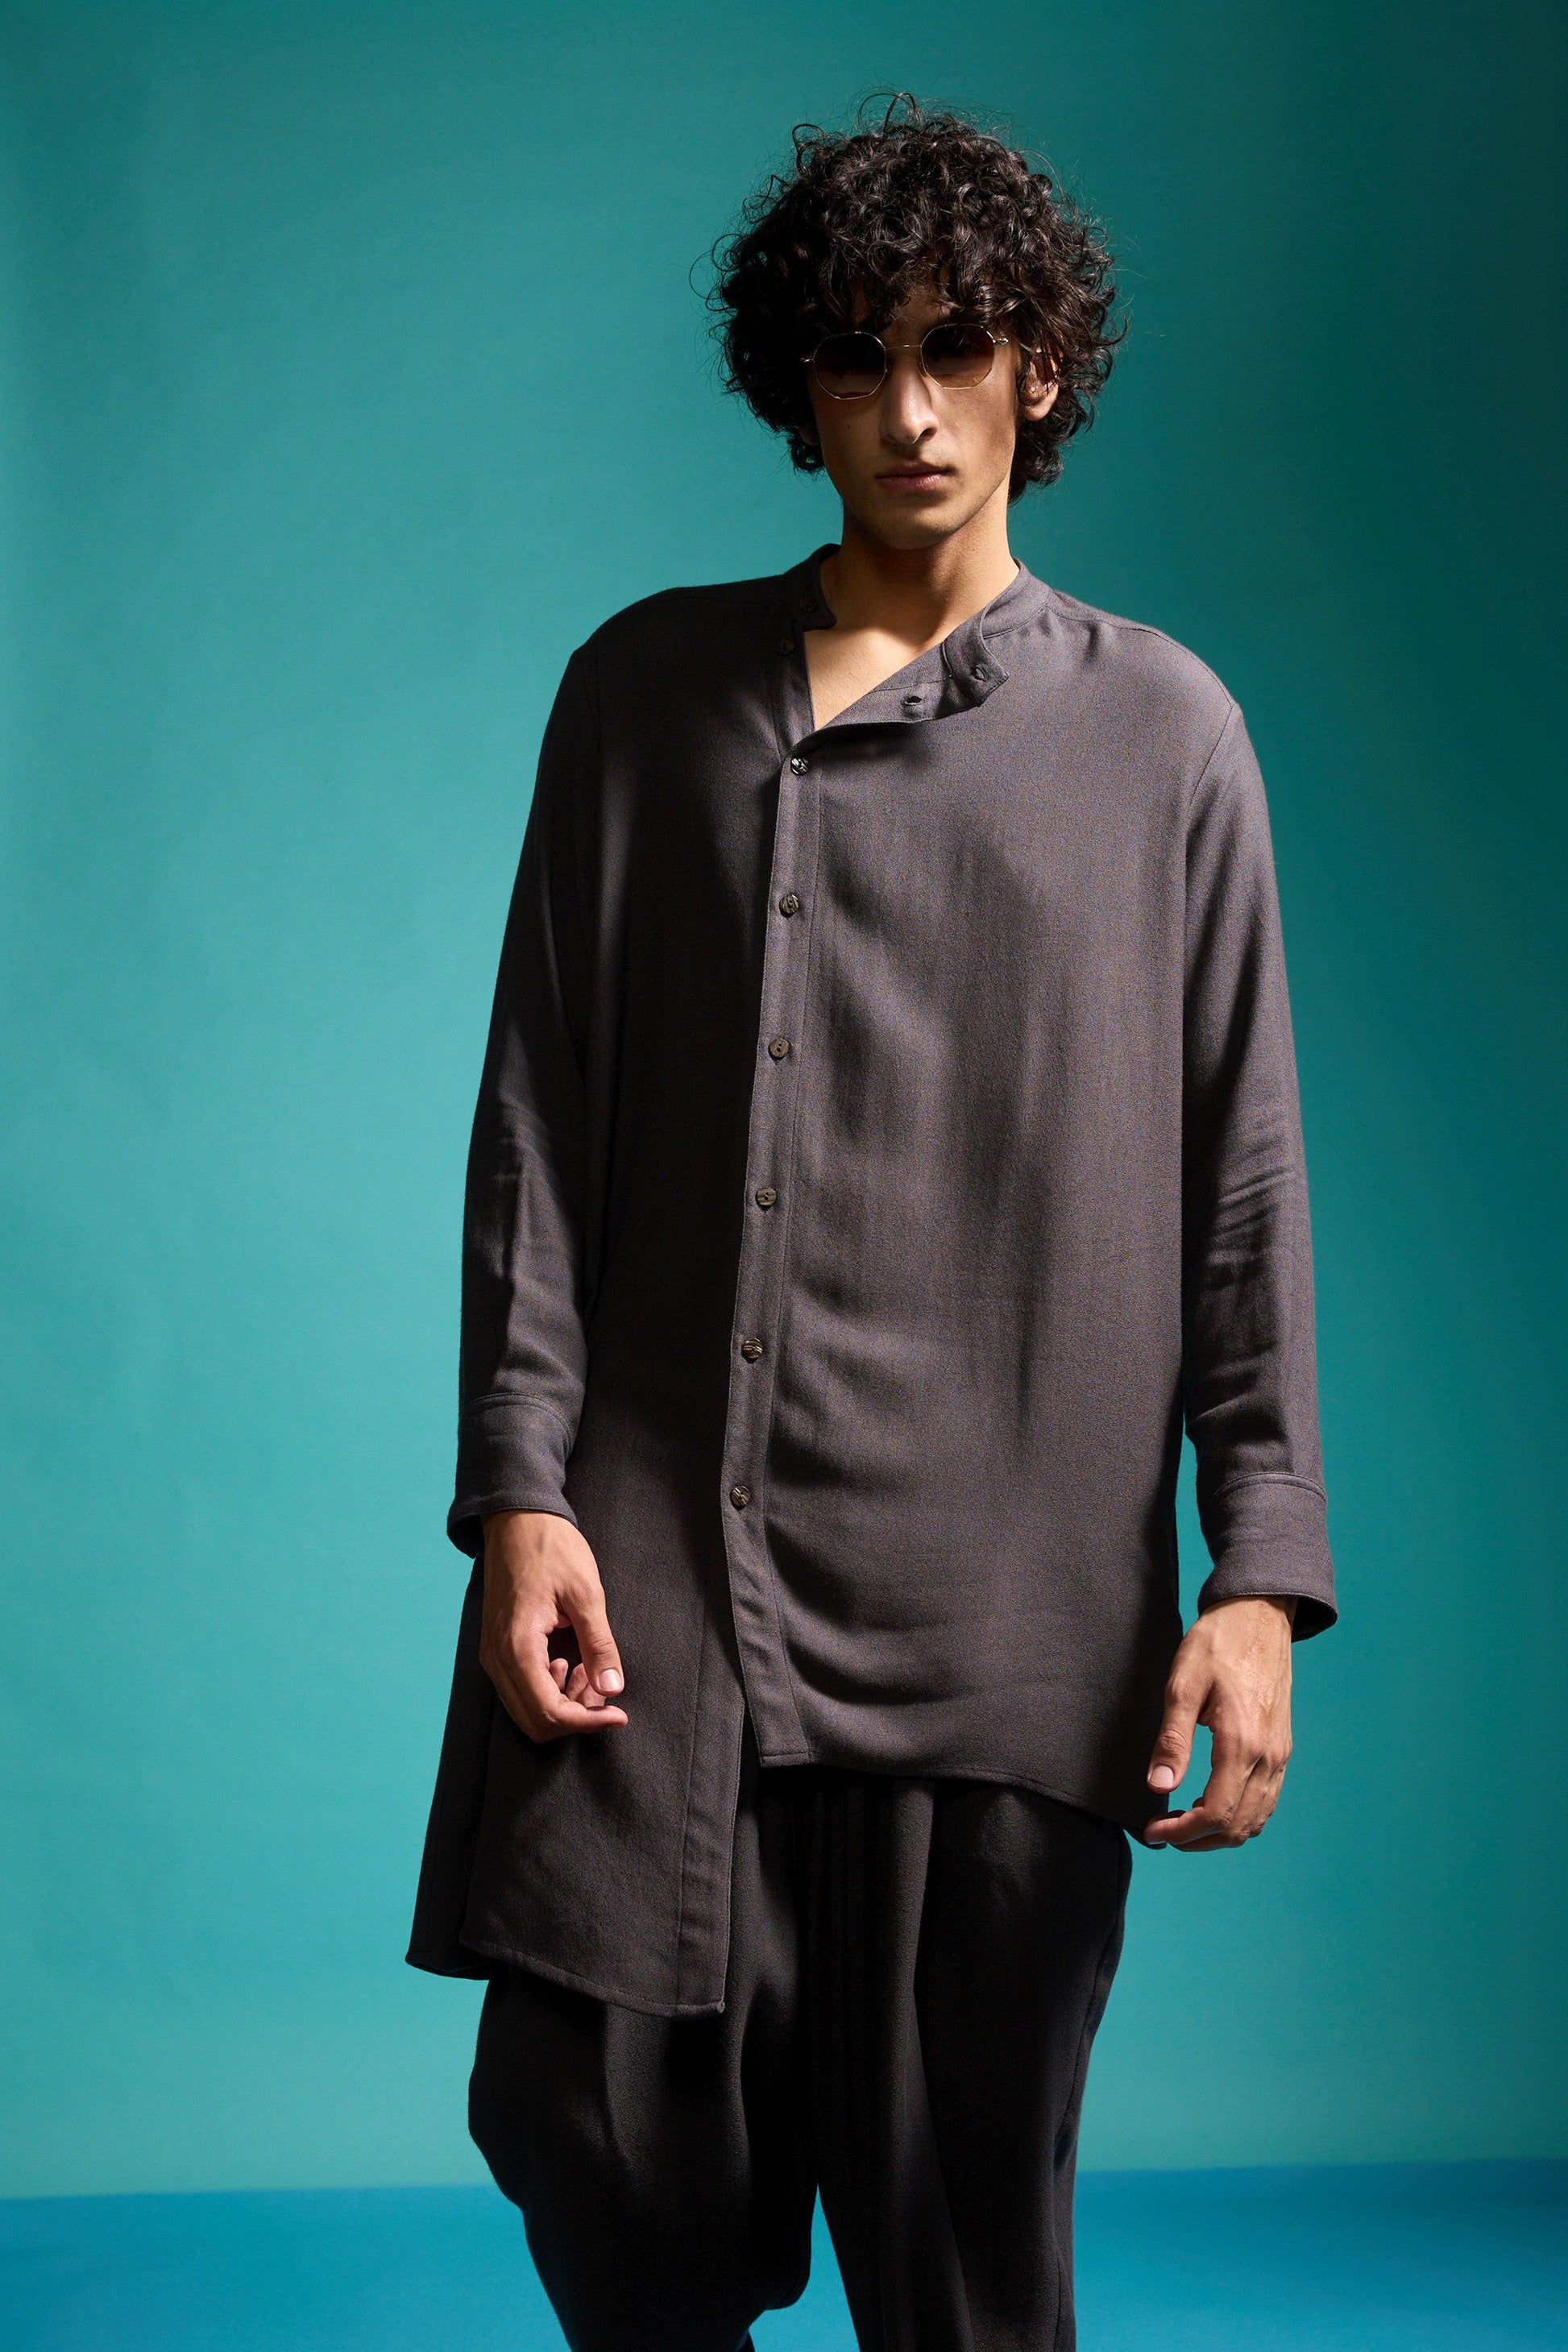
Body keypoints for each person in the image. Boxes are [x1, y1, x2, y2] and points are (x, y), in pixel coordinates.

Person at [407, 97, 1337, 2352]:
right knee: (587, 2131)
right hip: (660, 1577)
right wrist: (518, 1493)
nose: (909, 410)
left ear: (1038, 370)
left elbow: (1241, 1180)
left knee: (959, 2270)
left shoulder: (1164, 737)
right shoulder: (641, 697)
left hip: (998, 1609)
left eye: (955, 349)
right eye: (857, 358)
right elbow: (537, 1118)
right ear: (795, 391)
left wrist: (1259, 1577)